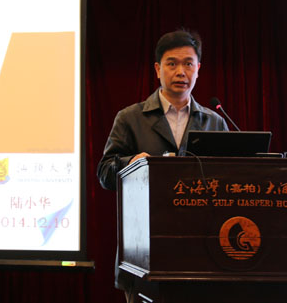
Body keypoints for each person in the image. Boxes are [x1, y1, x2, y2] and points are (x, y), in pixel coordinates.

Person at [97, 29, 228, 299]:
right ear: (158, 69)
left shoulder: (214, 122)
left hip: (203, 254)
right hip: (145, 253)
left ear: (198, 69)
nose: (181, 72)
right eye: (172, 64)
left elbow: (229, 181)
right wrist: (131, 165)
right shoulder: (131, 118)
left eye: (188, 64)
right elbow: (104, 173)